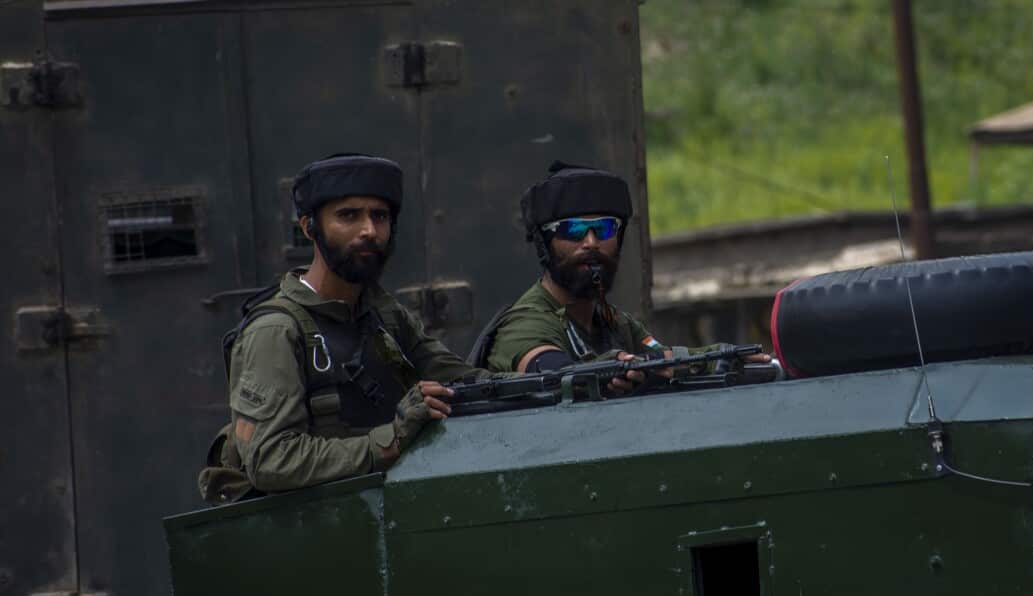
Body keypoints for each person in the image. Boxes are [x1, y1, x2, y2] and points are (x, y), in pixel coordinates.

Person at [202, 153, 491, 502]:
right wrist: (389, 440)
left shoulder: (382, 312)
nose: (369, 231)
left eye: (379, 216)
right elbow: (271, 459)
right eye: (348, 216)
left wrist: (554, 380)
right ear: (310, 228)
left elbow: (462, 380)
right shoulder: (277, 330)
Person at [476, 161, 770, 376]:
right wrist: (614, 369)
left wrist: (721, 357)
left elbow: (663, 359)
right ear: (546, 243)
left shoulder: (614, 322)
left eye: (604, 229)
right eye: (574, 230)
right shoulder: (526, 323)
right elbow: (552, 372)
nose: (591, 243)